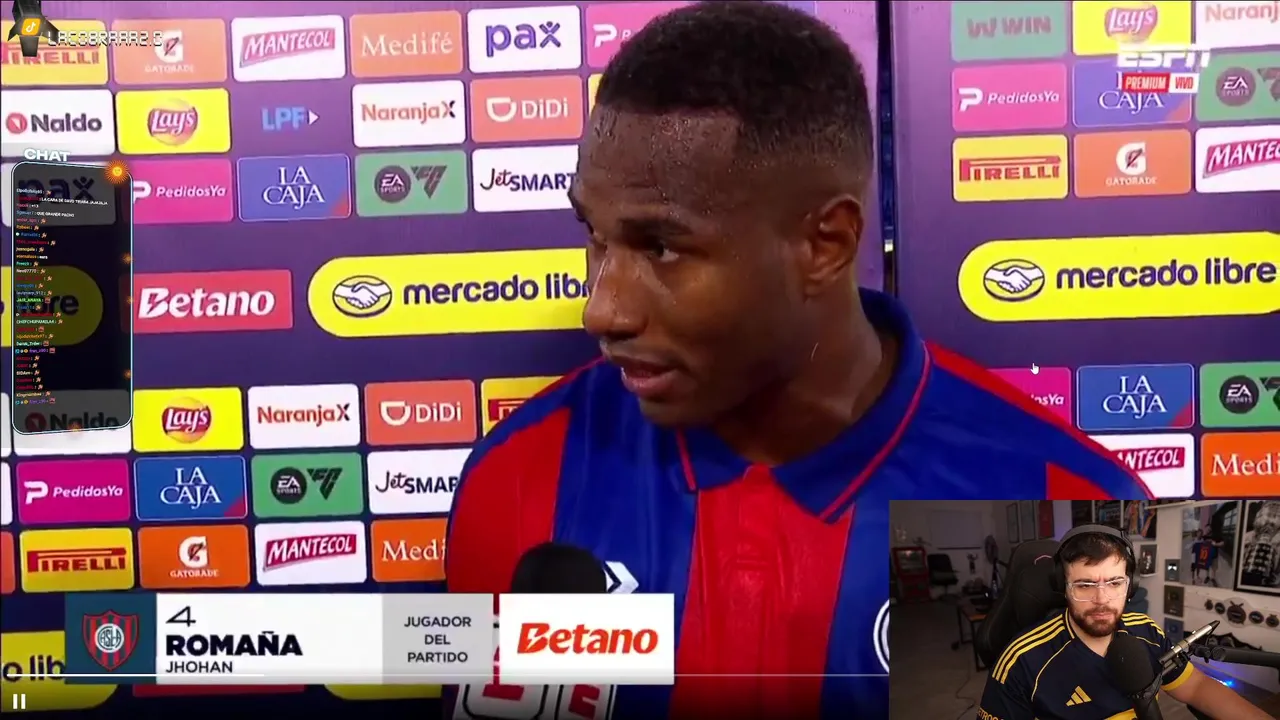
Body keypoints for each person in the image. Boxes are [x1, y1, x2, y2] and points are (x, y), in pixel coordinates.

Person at [446, 3, 1151, 718]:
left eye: (660, 247)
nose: (602, 309)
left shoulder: (1061, 482)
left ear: (824, 246)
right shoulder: (514, 473)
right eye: (595, 236)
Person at [978, 526, 1271, 720]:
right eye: (1084, 585)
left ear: (1131, 585)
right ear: (1062, 587)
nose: (1102, 599)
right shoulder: (1021, 661)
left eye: (1115, 582)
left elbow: (1195, 687)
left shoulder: (1146, 631)